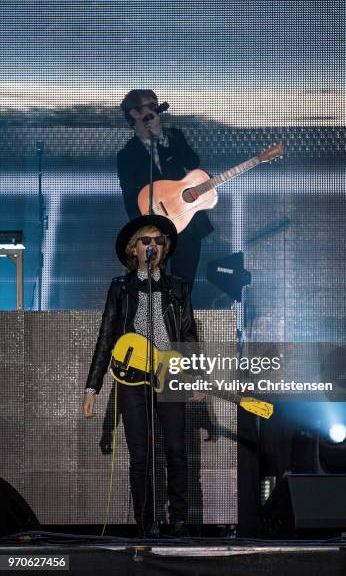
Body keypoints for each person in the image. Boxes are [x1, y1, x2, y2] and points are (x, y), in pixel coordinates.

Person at [82, 214, 203, 537]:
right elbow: (106, 336)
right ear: (133, 249)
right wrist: (92, 387)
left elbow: (188, 334)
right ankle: (146, 522)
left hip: (171, 374)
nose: (153, 246)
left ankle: (178, 520)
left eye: (159, 241)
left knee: (176, 449)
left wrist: (197, 376)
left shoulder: (177, 288)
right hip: (133, 378)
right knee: (141, 453)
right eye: (146, 241)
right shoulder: (121, 288)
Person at [117, 89, 213, 289]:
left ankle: (179, 319)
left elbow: (192, 162)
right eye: (150, 106)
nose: (156, 110)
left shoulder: (173, 137)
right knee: (152, 287)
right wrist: (143, 229)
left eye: (156, 106)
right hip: (155, 230)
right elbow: (129, 196)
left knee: (183, 285)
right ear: (135, 113)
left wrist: (162, 136)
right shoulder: (127, 155)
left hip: (188, 224)